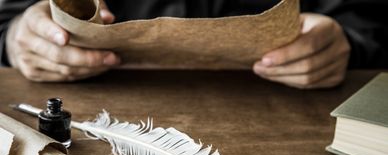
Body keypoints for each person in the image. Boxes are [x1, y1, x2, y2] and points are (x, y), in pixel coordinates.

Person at [0, 0, 387, 89]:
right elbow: (7, 20)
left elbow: (369, 18)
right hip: (89, 105)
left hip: (295, 106)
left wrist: (348, 43)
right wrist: (16, 36)